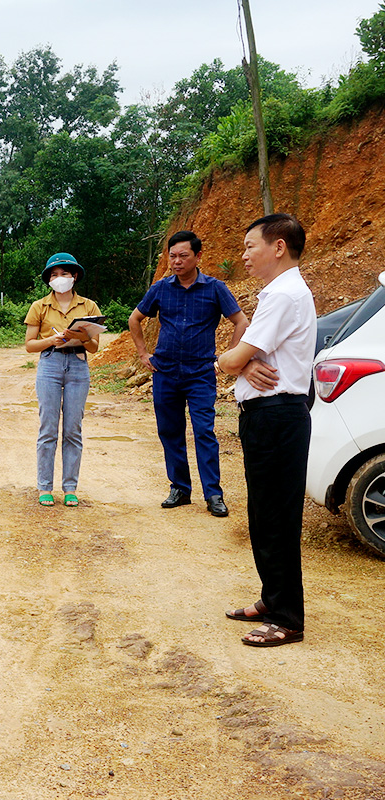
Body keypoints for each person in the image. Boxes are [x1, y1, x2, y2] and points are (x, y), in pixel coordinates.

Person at [218, 213, 316, 648]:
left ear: (278, 246)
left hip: (277, 415)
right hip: (269, 416)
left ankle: (288, 617)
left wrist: (234, 360)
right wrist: (243, 359)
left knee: (276, 517)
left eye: (250, 246)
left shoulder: (283, 294)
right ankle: (271, 598)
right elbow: (246, 356)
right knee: (262, 513)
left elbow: (235, 358)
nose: (244, 256)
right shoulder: (281, 292)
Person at [129, 231, 249, 517]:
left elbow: (241, 322)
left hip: (200, 374)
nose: (177, 261)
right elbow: (135, 318)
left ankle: (214, 494)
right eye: (172, 256)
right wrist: (144, 354)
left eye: (183, 255)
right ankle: (180, 488)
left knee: (204, 431)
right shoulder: (160, 288)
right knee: (170, 431)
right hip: (166, 372)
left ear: (198, 256)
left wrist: (225, 359)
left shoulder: (215, 288)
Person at [24, 253, 102, 507]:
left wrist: (82, 335)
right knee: (48, 428)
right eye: (54, 275)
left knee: (73, 429)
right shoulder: (39, 306)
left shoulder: (89, 306)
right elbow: (29, 345)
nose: (60, 279)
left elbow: (94, 347)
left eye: (64, 274)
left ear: (74, 276)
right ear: (48, 279)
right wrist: (51, 340)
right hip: (50, 363)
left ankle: (70, 487)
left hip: (78, 365)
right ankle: (44, 487)